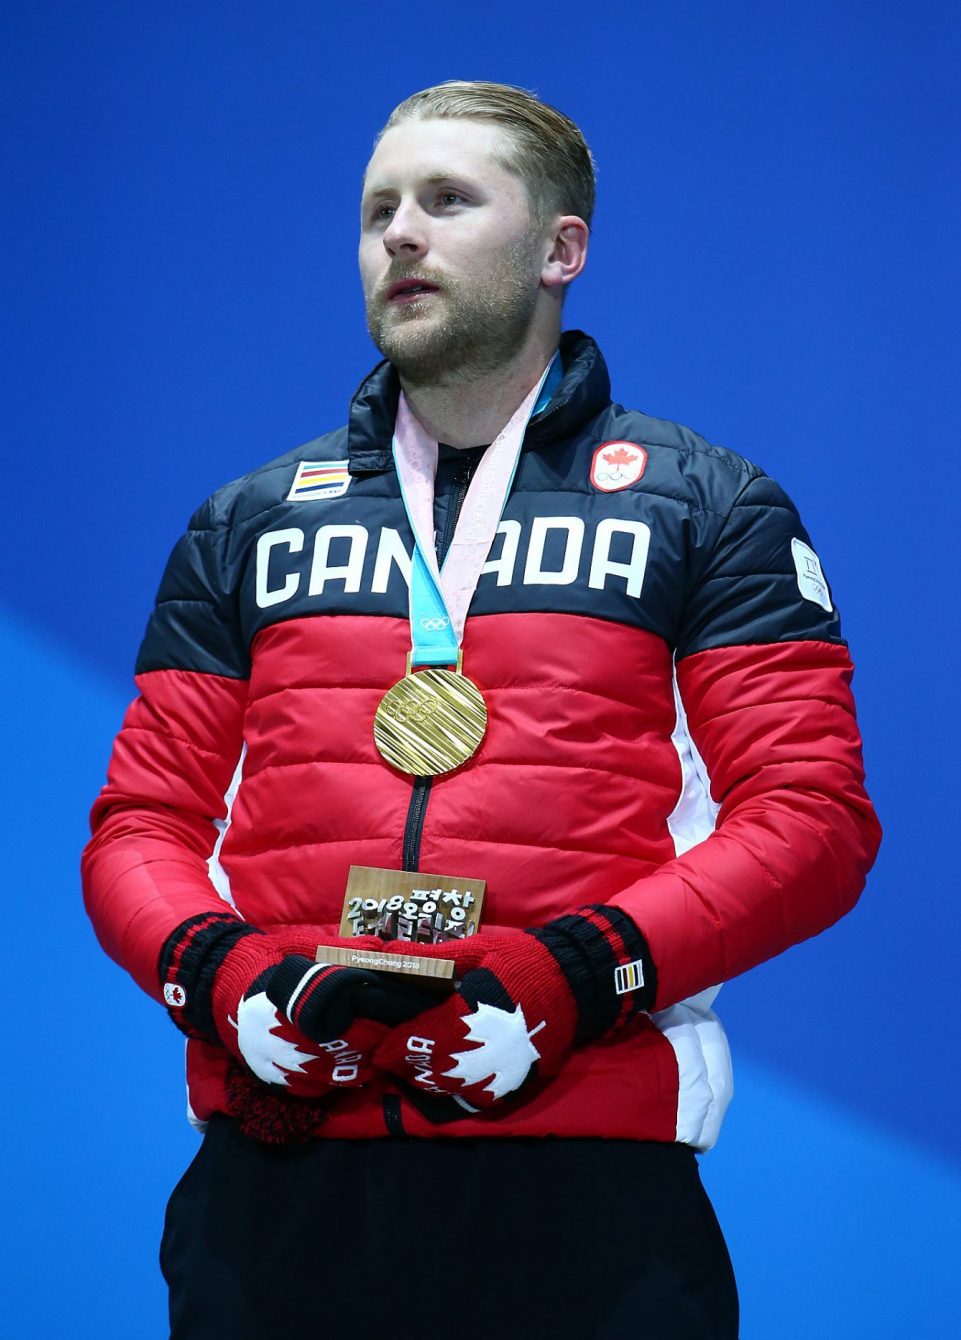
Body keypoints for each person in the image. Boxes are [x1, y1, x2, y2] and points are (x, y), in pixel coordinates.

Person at [82, 81, 881, 1339]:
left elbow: (811, 821)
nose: (400, 233)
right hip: (278, 1184)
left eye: (448, 200)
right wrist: (216, 972)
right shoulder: (244, 524)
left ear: (561, 249)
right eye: (377, 210)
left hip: (586, 1186)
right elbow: (139, 825)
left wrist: (581, 968)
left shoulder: (707, 505)